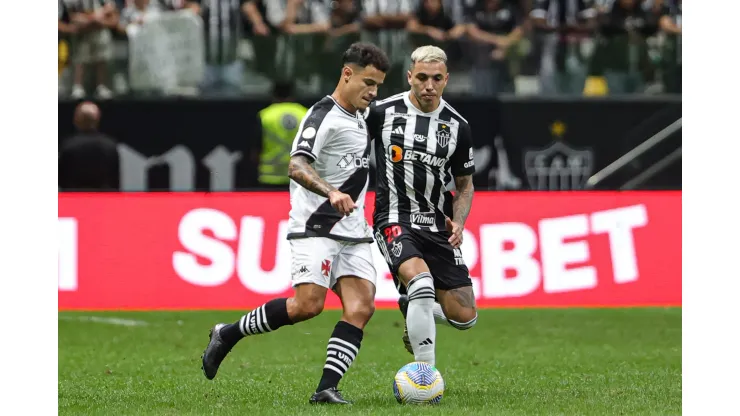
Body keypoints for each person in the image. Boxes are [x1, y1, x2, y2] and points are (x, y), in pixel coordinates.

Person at [201, 42, 390, 405]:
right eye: (368, 82)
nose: (373, 92)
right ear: (346, 74)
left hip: (353, 231)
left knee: (361, 307)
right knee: (307, 306)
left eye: (378, 85)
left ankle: (325, 389)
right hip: (316, 226)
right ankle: (228, 333)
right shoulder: (322, 116)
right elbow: (297, 165)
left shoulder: (363, 115)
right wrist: (331, 191)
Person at [364, 45, 477, 366]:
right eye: (423, 77)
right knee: (423, 285)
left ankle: (413, 304)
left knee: (465, 316)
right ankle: (424, 376)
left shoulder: (458, 126)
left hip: (437, 225)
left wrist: (459, 221)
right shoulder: (382, 112)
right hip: (394, 219)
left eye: (437, 79)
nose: (429, 85)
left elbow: (465, 184)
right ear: (410, 76)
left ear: (446, 80)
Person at [253, 81, 308, 189]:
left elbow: (256, 149)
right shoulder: (306, 114)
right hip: (301, 177)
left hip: (269, 178)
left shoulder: (265, 115)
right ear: (293, 95)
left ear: (273, 95)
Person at [59, 101, 120, 190]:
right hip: (103, 199)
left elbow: (61, 179)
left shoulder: (68, 146)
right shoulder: (110, 146)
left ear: (76, 120)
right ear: (97, 119)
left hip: (73, 199)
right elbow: (115, 179)